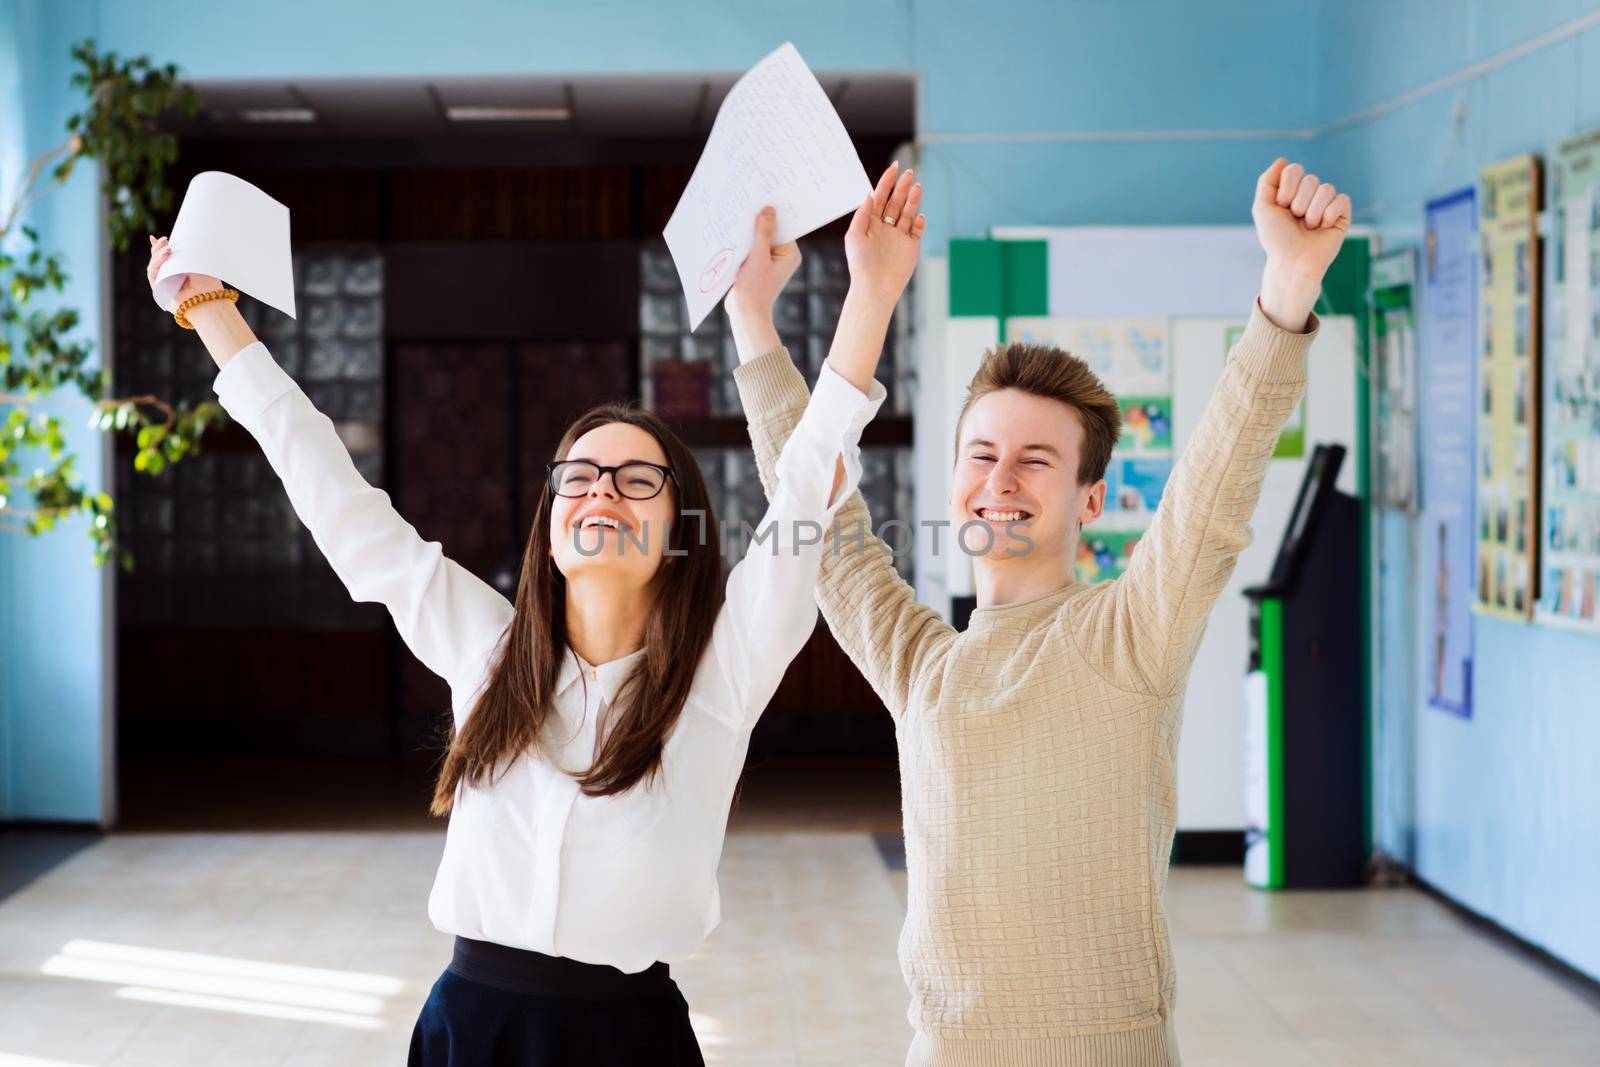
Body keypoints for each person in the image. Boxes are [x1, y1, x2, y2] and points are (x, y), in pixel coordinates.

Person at [144, 217, 892, 1065]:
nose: (601, 491)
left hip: (631, 1039)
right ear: (547, 528)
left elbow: (802, 498)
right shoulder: (488, 648)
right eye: (578, 476)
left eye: (637, 478)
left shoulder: (720, 676)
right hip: (472, 1030)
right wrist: (207, 308)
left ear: (680, 530)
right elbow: (341, 505)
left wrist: (868, 295)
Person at [726, 158, 1348, 1065]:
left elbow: (1212, 494)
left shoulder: (1128, 638)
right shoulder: (923, 666)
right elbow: (824, 531)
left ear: (1091, 499)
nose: (1000, 482)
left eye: (1036, 460)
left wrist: (1287, 287)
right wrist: (753, 325)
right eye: (980, 454)